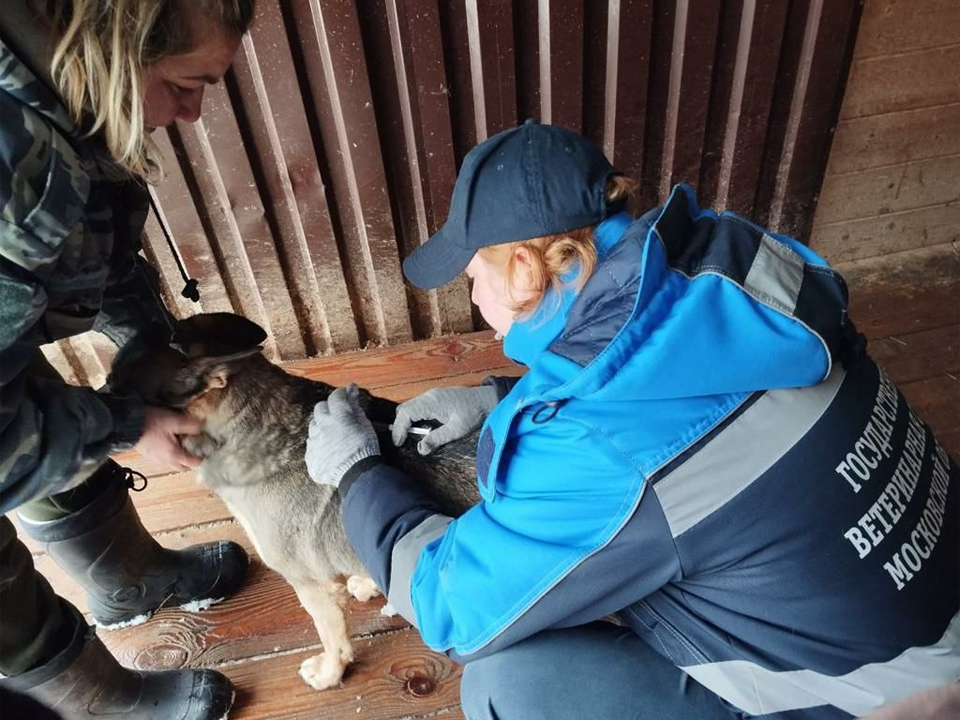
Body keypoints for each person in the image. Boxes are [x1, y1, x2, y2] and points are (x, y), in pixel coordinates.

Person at [305, 119, 960, 719]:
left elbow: (454, 608)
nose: (472, 293)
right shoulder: (732, 275)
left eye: (474, 273)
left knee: (512, 684)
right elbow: (682, 399)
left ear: (526, 269)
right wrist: (500, 397)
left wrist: (357, 474)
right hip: (930, 617)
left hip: (889, 707)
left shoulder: (590, 444)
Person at [0, 2, 256, 718]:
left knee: (26, 389)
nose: (194, 111)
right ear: (116, 50)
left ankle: (127, 577)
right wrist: (126, 423)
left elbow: (97, 243)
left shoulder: (60, 87)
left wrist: (152, 348)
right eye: (185, 83)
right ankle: (88, 699)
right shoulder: (12, 174)